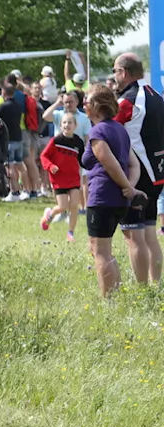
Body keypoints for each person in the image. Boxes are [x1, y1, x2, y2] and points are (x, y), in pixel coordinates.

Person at [82, 85, 143, 296]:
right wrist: (129, 188)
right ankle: (115, 296)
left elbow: (110, 163)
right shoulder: (120, 130)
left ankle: (109, 301)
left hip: (102, 197)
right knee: (105, 251)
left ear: (97, 106)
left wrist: (128, 187)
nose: (84, 105)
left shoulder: (98, 131)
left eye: (86, 101)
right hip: (119, 200)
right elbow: (134, 165)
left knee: (100, 252)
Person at [112, 53, 164, 285]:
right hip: (157, 173)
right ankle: (156, 284)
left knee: (134, 235)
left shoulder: (128, 101)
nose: (114, 76)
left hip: (138, 175)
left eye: (115, 71)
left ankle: (142, 290)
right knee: (150, 233)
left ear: (123, 72)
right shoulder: (155, 94)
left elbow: (107, 127)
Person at [40, 113, 85, 242]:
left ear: (75, 125)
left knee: (74, 205)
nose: (67, 125)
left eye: (70, 122)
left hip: (73, 178)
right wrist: (50, 166)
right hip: (58, 178)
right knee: (63, 207)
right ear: (60, 125)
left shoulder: (78, 142)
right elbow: (44, 156)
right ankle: (50, 215)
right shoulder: (56, 141)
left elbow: (83, 160)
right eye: (64, 122)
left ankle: (70, 233)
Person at [0, 81, 26, 201]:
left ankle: (14, 192)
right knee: (20, 165)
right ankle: (27, 189)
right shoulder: (18, 105)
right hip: (19, 138)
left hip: (9, 140)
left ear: (4, 92)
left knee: (10, 166)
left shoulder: (3, 106)